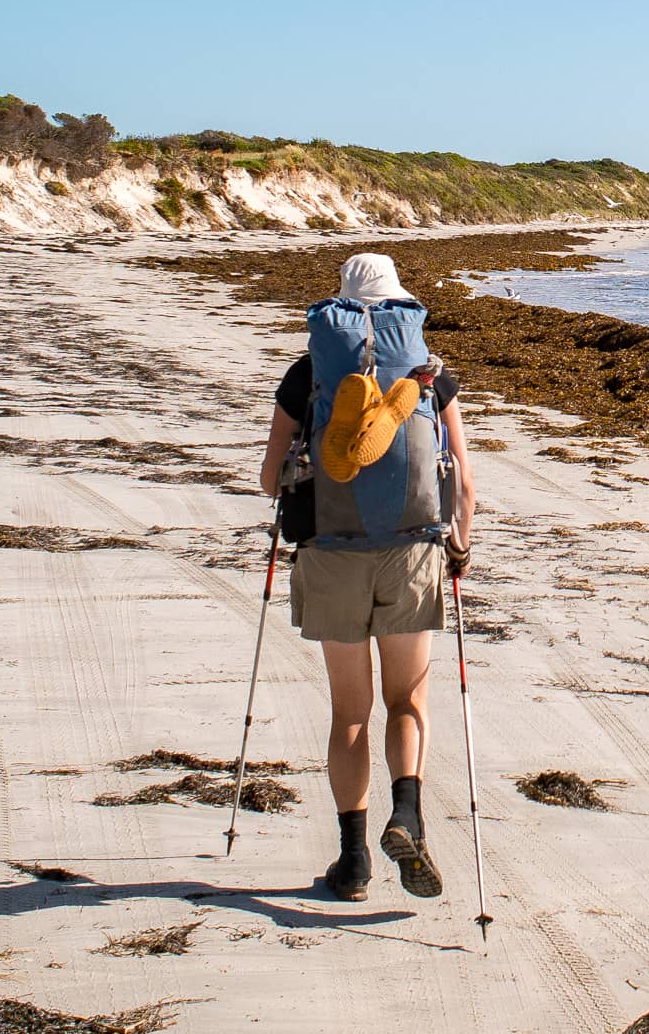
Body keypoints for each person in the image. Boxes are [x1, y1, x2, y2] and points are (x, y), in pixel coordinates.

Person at [258, 252, 476, 902]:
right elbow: (463, 482)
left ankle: (352, 863)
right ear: (400, 308)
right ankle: (406, 816)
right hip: (411, 553)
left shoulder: (307, 375)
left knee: (350, 711)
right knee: (407, 701)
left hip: (330, 552)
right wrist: (459, 550)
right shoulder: (429, 377)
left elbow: (271, 478)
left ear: (343, 311)